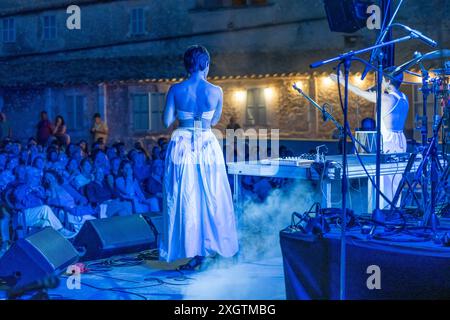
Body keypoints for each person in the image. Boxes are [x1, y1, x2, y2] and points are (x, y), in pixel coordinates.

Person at [160, 45, 239, 268]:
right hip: (206, 140)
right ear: (205, 64)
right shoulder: (216, 91)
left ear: (186, 64)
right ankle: (211, 248)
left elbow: (166, 121)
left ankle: (190, 250)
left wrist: (180, 111)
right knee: (211, 194)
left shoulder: (176, 89)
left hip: (182, 141)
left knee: (184, 195)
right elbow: (213, 121)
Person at [330, 69, 409, 208]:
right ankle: (394, 212)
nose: (380, 83)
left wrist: (341, 81)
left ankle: (383, 214)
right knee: (395, 181)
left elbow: (359, 93)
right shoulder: (404, 98)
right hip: (401, 140)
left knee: (383, 183)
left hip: (388, 141)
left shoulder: (385, 98)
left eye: (382, 80)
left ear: (388, 81)